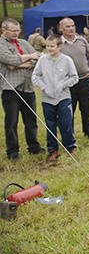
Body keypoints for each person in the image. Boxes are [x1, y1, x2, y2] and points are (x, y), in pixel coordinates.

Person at [0, 18, 44, 160]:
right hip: (10, 89)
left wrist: (21, 62)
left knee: (31, 120)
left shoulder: (24, 43)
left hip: (28, 87)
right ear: (4, 30)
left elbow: (37, 58)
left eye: (18, 30)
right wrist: (28, 57)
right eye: (13, 31)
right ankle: (12, 151)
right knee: (11, 121)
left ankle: (34, 147)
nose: (16, 33)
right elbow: (9, 60)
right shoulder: (1, 44)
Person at [32, 35, 79, 163]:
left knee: (65, 122)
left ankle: (70, 146)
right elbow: (35, 75)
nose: (49, 48)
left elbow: (74, 77)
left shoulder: (67, 60)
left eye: (52, 46)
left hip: (63, 97)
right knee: (50, 124)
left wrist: (62, 85)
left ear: (59, 46)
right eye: (47, 46)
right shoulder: (43, 60)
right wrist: (43, 86)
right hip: (47, 98)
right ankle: (52, 150)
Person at [60, 17, 89, 139]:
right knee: (69, 111)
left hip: (85, 80)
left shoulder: (82, 41)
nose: (71, 28)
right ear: (61, 28)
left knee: (86, 108)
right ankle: (69, 135)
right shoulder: (58, 43)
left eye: (72, 26)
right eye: (67, 26)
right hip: (67, 83)